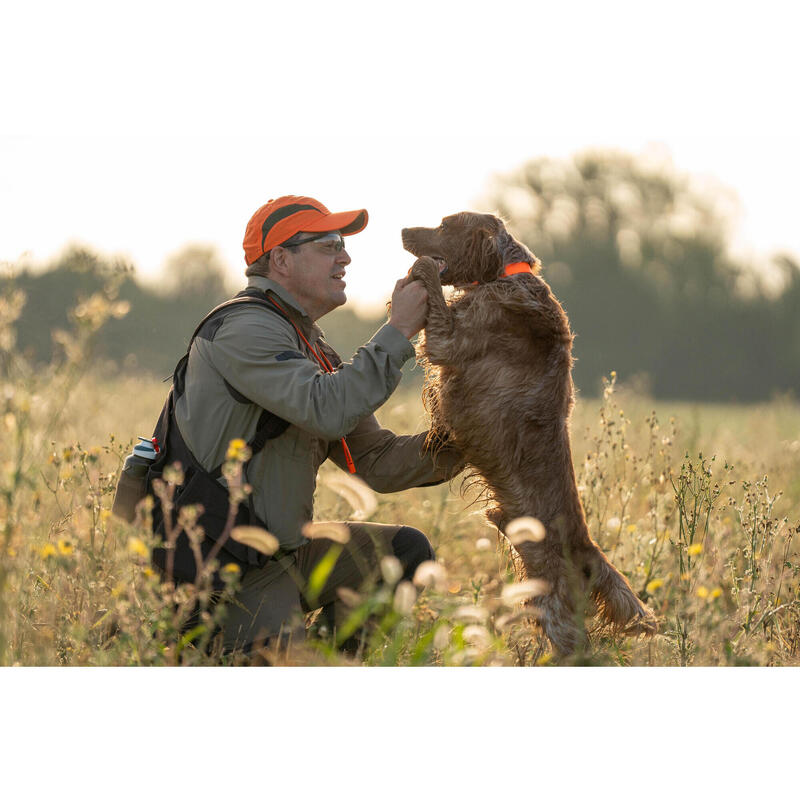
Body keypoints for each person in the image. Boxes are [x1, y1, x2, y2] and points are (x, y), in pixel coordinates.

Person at [174, 195, 463, 653]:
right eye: (329, 244)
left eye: (343, 244)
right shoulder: (244, 328)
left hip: (283, 556)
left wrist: (476, 438)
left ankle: (337, 662)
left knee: (403, 553)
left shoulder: (308, 342)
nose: (345, 256)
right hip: (227, 567)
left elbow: (377, 460)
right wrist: (398, 330)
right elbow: (325, 408)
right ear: (281, 259)